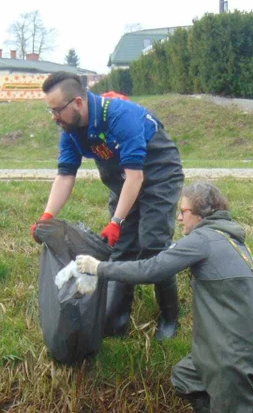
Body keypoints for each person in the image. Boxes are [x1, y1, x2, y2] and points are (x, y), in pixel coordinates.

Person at [76, 183, 253, 413]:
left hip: (236, 350)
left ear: (200, 213)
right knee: (187, 376)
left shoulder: (203, 240)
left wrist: (99, 268)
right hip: (249, 341)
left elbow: (152, 270)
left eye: (182, 211)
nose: (179, 218)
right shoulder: (229, 240)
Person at [33, 72, 185, 340]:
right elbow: (66, 175)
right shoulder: (70, 131)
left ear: (77, 102)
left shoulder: (120, 116)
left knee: (153, 243)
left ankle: (170, 317)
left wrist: (116, 221)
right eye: (51, 111)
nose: (55, 117)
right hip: (122, 180)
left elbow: (136, 176)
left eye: (57, 110)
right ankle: (118, 318)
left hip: (158, 173)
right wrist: (47, 216)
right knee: (122, 249)